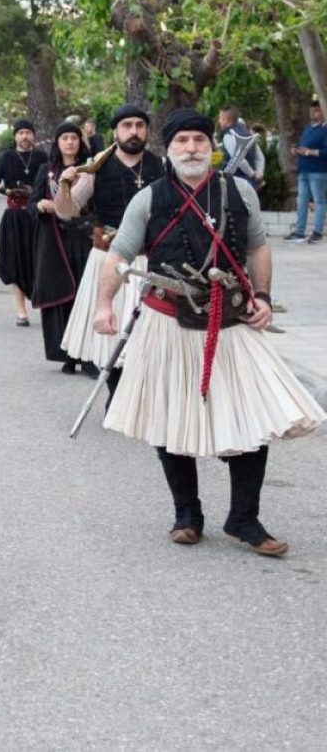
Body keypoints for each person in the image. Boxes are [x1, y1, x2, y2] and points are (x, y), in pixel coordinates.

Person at [94, 109, 324, 556]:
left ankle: (244, 518)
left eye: (199, 139)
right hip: (168, 323)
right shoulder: (149, 198)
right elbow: (118, 254)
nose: (192, 148)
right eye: (182, 141)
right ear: (170, 148)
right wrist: (104, 305)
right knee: (170, 419)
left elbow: (258, 246)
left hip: (231, 320)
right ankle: (187, 515)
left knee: (254, 419)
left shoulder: (238, 192)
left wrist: (262, 295)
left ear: (211, 146)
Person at [54, 105, 164, 395]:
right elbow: (65, 212)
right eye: (127, 125)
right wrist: (64, 187)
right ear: (116, 131)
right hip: (108, 260)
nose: (134, 131)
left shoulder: (162, 167)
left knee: (149, 333)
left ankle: (141, 396)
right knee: (111, 335)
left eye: (140, 125)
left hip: (149, 262)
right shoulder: (96, 168)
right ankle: (115, 395)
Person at [29, 122, 97, 375]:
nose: (70, 142)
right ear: (58, 143)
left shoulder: (91, 170)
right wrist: (40, 207)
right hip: (56, 240)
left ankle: (89, 355)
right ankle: (68, 353)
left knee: (87, 296)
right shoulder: (46, 171)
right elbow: (32, 204)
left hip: (85, 238)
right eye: (65, 138)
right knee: (64, 297)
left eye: (74, 138)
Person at [0, 119, 48, 326]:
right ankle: (21, 312)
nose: (24, 137)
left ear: (33, 136)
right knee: (16, 263)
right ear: (15, 136)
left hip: (37, 216)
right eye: (20, 133)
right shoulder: (6, 157)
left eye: (28, 133)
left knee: (40, 261)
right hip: (14, 218)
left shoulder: (41, 157)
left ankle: (45, 306)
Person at [285, 99, 327, 244]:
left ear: (323, 111)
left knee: (319, 201)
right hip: (303, 170)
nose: (313, 113)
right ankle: (299, 231)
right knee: (301, 201)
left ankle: (317, 231)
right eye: (311, 110)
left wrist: (309, 152)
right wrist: (296, 150)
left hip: (318, 171)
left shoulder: (325, 129)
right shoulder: (308, 127)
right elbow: (303, 144)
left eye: (316, 110)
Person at [217, 104, 265, 188]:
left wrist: (252, 174)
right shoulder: (248, 134)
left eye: (220, 118)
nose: (219, 121)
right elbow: (259, 156)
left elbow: (238, 159)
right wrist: (259, 174)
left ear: (226, 120)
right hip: (251, 184)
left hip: (236, 182)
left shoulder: (229, 135)